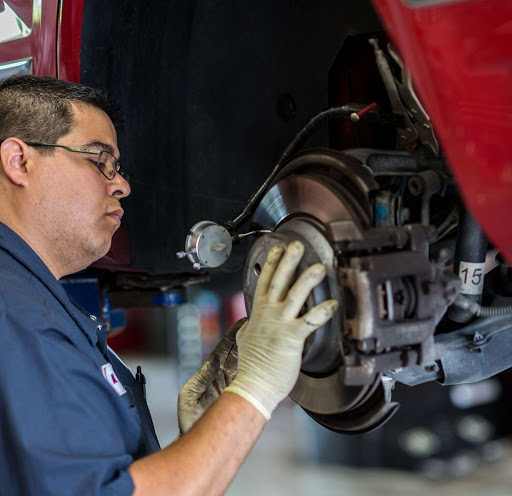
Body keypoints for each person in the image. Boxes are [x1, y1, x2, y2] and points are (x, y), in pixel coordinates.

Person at [0, 75, 338, 496]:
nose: (121, 184)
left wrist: (201, 436)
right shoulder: (16, 316)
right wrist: (256, 388)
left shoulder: (31, 297)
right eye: (99, 160)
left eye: (117, 167)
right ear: (19, 161)